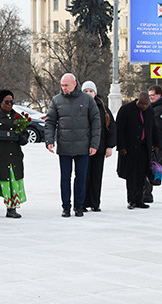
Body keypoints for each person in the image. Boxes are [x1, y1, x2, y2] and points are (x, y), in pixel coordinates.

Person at [44, 73, 101, 217]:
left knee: (81, 178)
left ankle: (79, 206)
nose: (63, 88)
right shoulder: (57, 100)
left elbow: (96, 122)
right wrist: (49, 141)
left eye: (66, 85)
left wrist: (94, 144)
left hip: (83, 146)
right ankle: (66, 206)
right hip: (64, 146)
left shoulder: (87, 99)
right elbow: (50, 122)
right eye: (62, 85)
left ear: (74, 84)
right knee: (65, 178)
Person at [0, 90, 28, 219]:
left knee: (12, 181)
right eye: (7, 102)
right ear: (0, 103)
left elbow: (24, 132)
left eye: (12, 102)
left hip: (12, 157)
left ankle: (11, 208)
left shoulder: (17, 117)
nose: (10, 104)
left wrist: (23, 138)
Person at [116, 92, 157, 209]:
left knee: (142, 175)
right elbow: (120, 130)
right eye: (142, 104)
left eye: (146, 104)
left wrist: (156, 143)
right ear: (137, 101)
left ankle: (140, 199)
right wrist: (121, 147)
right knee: (131, 175)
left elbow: (153, 128)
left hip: (144, 148)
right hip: (130, 149)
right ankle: (131, 200)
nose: (144, 107)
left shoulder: (149, 111)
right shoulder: (126, 110)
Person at [81, 80, 117, 212]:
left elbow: (111, 127)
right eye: (86, 91)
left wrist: (109, 146)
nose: (89, 94)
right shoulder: (79, 105)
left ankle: (95, 202)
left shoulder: (102, 107)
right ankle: (83, 202)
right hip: (83, 148)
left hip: (100, 148)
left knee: (96, 176)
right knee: (84, 176)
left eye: (91, 91)